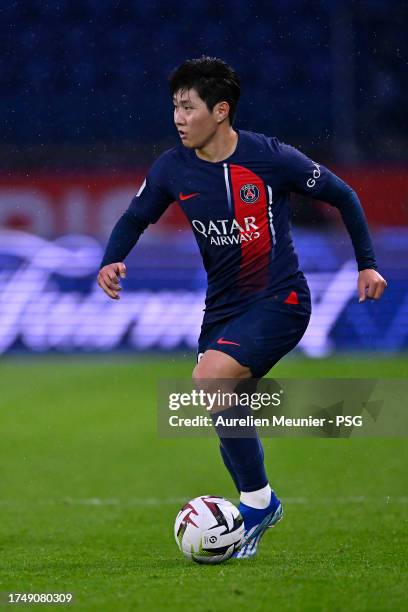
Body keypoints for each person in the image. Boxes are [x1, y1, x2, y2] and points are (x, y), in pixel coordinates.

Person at [97, 57, 387, 559]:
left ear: (221, 110)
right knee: (220, 398)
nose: (179, 118)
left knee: (210, 378)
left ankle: (255, 507)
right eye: (175, 107)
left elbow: (344, 195)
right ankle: (259, 505)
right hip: (223, 308)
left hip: (282, 300)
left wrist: (366, 265)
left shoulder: (269, 158)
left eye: (188, 108)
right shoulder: (171, 168)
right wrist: (111, 260)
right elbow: (134, 216)